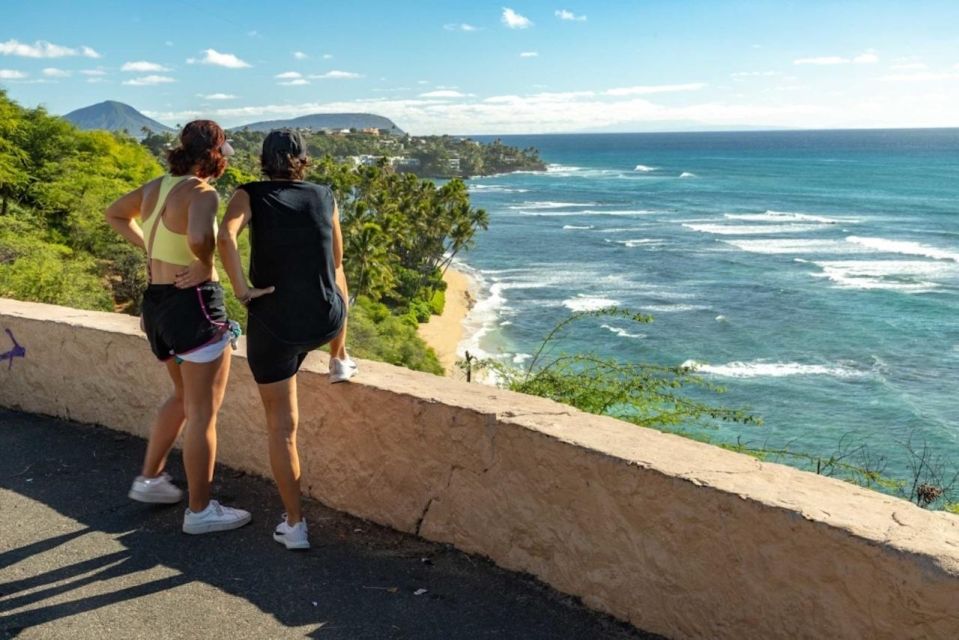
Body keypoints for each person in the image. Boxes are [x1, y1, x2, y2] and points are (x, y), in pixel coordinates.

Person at [105, 120, 251, 535]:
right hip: (195, 305)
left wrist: (150, 247)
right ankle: (201, 511)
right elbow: (203, 237)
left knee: (183, 395)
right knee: (203, 412)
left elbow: (114, 213)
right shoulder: (202, 192)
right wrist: (204, 263)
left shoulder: (156, 187)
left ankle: (150, 479)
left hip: (157, 304)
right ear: (216, 155)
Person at [217, 129, 356, 550]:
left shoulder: (249, 194)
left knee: (282, 430)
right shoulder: (324, 194)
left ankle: (295, 525)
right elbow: (337, 263)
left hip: (275, 327)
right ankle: (341, 357)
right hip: (325, 321)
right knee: (337, 282)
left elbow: (226, 236)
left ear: (263, 159)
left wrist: (242, 290)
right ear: (302, 159)